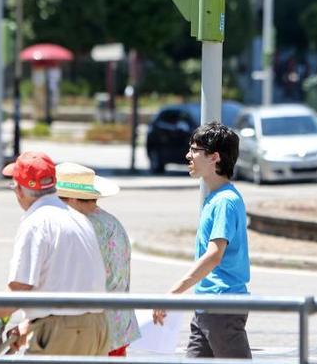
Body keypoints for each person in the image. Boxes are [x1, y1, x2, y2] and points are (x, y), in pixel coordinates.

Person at [0, 151, 109, 356]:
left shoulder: (36, 222)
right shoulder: (76, 218)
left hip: (62, 329)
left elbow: (17, 293)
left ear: (19, 190)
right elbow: (66, 282)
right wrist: (30, 322)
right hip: (95, 326)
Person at [153, 122, 252, 358]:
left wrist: (174, 293)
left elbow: (214, 255)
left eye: (195, 150)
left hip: (222, 306)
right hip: (207, 307)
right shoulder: (215, 198)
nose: (188, 155)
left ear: (214, 157)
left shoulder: (224, 202)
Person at [55, 162, 140, 357]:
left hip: (91, 330)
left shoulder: (81, 226)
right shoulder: (109, 221)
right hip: (117, 324)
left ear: (72, 199)